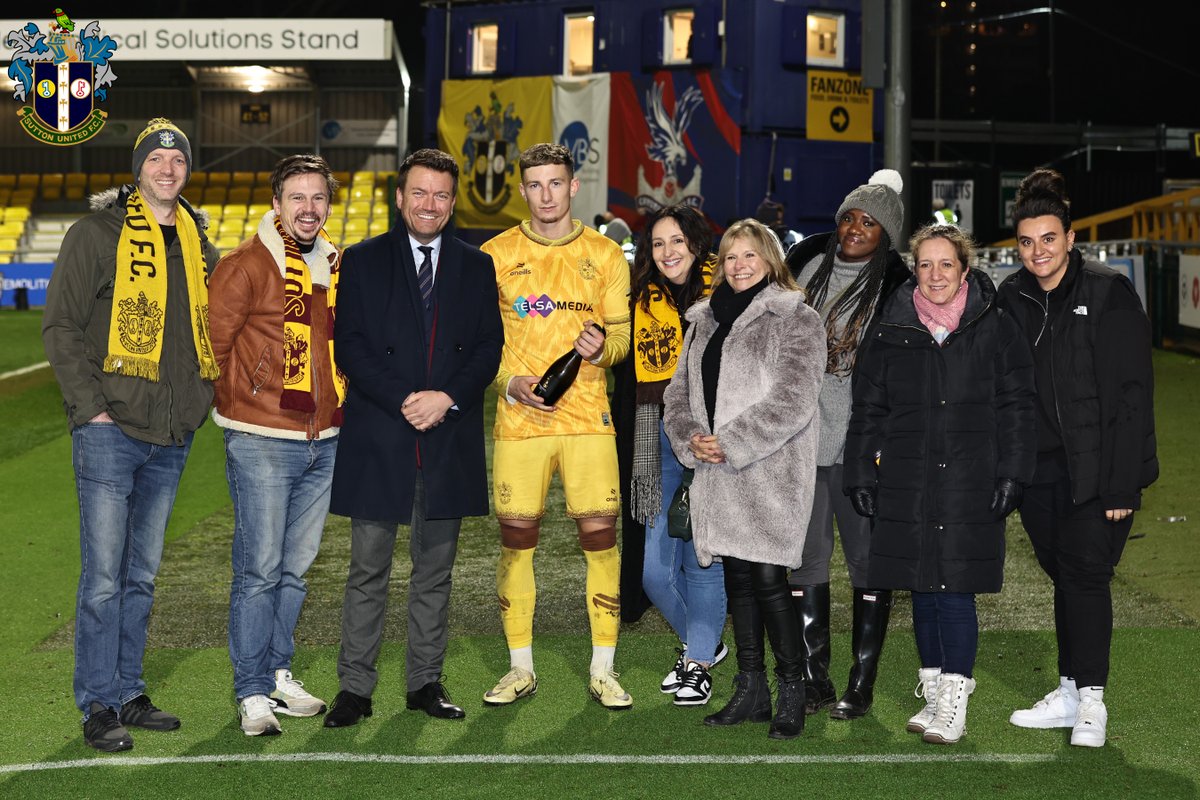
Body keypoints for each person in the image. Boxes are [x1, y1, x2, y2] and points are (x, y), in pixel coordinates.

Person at [43, 118, 219, 752]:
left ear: (187, 169)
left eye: (178, 159)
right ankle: (98, 703)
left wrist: (197, 405)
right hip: (109, 430)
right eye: (155, 159)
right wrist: (90, 409)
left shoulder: (199, 244)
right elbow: (61, 326)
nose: (167, 168)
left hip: (169, 435)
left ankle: (128, 690)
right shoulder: (96, 233)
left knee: (140, 576)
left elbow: (212, 332)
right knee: (104, 578)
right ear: (138, 168)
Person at [323, 148, 503, 727]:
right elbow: (351, 345)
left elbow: (488, 348)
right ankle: (355, 689)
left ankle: (425, 682)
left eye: (441, 195)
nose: (430, 204)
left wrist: (446, 398)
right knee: (367, 571)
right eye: (419, 192)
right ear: (399, 198)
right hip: (382, 433)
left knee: (435, 573)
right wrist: (407, 399)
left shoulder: (476, 266)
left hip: (446, 438)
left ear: (452, 203)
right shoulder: (363, 259)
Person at [843, 224, 1036, 744]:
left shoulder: (997, 325)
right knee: (922, 587)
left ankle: (955, 698)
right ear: (913, 269)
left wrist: (1014, 472)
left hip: (972, 478)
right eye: (925, 264)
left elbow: (1018, 405)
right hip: (907, 478)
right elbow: (869, 408)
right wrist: (860, 470)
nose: (935, 275)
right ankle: (933, 693)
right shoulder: (891, 328)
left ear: (964, 269)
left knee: (954, 589)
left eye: (946, 263)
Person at [996, 168, 1157, 748]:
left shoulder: (1108, 291)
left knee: (1085, 576)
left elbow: (1131, 396)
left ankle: (1092, 700)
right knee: (1064, 575)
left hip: (1097, 470)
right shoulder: (1011, 296)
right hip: (1038, 472)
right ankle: (1068, 690)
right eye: (1026, 241)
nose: (1037, 251)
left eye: (1048, 238)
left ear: (1069, 237)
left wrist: (1121, 485)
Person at [481, 142, 632, 710]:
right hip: (521, 423)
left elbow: (622, 337)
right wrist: (508, 382)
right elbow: (479, 345)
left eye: (555, 183)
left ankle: (603, 669)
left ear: (573, 186)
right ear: (522, 189)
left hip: (589, 420)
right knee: (517, 545)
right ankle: (520, 667)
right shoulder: (495, 254)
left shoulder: (606, 254)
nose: (546, 195)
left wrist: (601, 350)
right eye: (535, 184)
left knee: (601, 542)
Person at [663, 218, 825, 739]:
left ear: (771, 260)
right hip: (717, 473)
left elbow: (794, 400)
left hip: (769, 473)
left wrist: (731, 441)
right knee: (737, 580)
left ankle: (792, 687)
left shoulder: (796, 318)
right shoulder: (703, 320)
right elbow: (677, 395)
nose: (739, 265)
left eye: (750, 255)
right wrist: (692, 438)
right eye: (731, 256)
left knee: (769, 581)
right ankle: (751, 688)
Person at [207, 154, 344, 736]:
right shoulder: (244, 264)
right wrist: (245, 403)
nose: (308, 209)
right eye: (297, 198)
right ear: (276, 203)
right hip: (262, 438)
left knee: (294, 571)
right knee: (260, 570)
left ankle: (278, 672)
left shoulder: (335, 263)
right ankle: (251, 690)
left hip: (324, 439)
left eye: (318, 198)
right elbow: (212, 347)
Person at [783, 169, 910, 720]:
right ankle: (815, 679)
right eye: (849, 218)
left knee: (866, 562)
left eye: (870, 223)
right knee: (805, 560)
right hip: (799, 439)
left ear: (887, 234)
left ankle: (860, 684)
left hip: (861, 444)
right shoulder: (804, 266)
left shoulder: (897, 287)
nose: (855, 229)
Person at [615, 205, 727, 707]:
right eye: (658, 243)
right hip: (654, 438)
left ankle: (697, 662)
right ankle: (703, 646)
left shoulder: (726, 294)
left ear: (697, 244)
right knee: (655, 573)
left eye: (677, 241)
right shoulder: (640, 299)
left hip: (707, 440)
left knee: (702, 562)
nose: (667, 252)